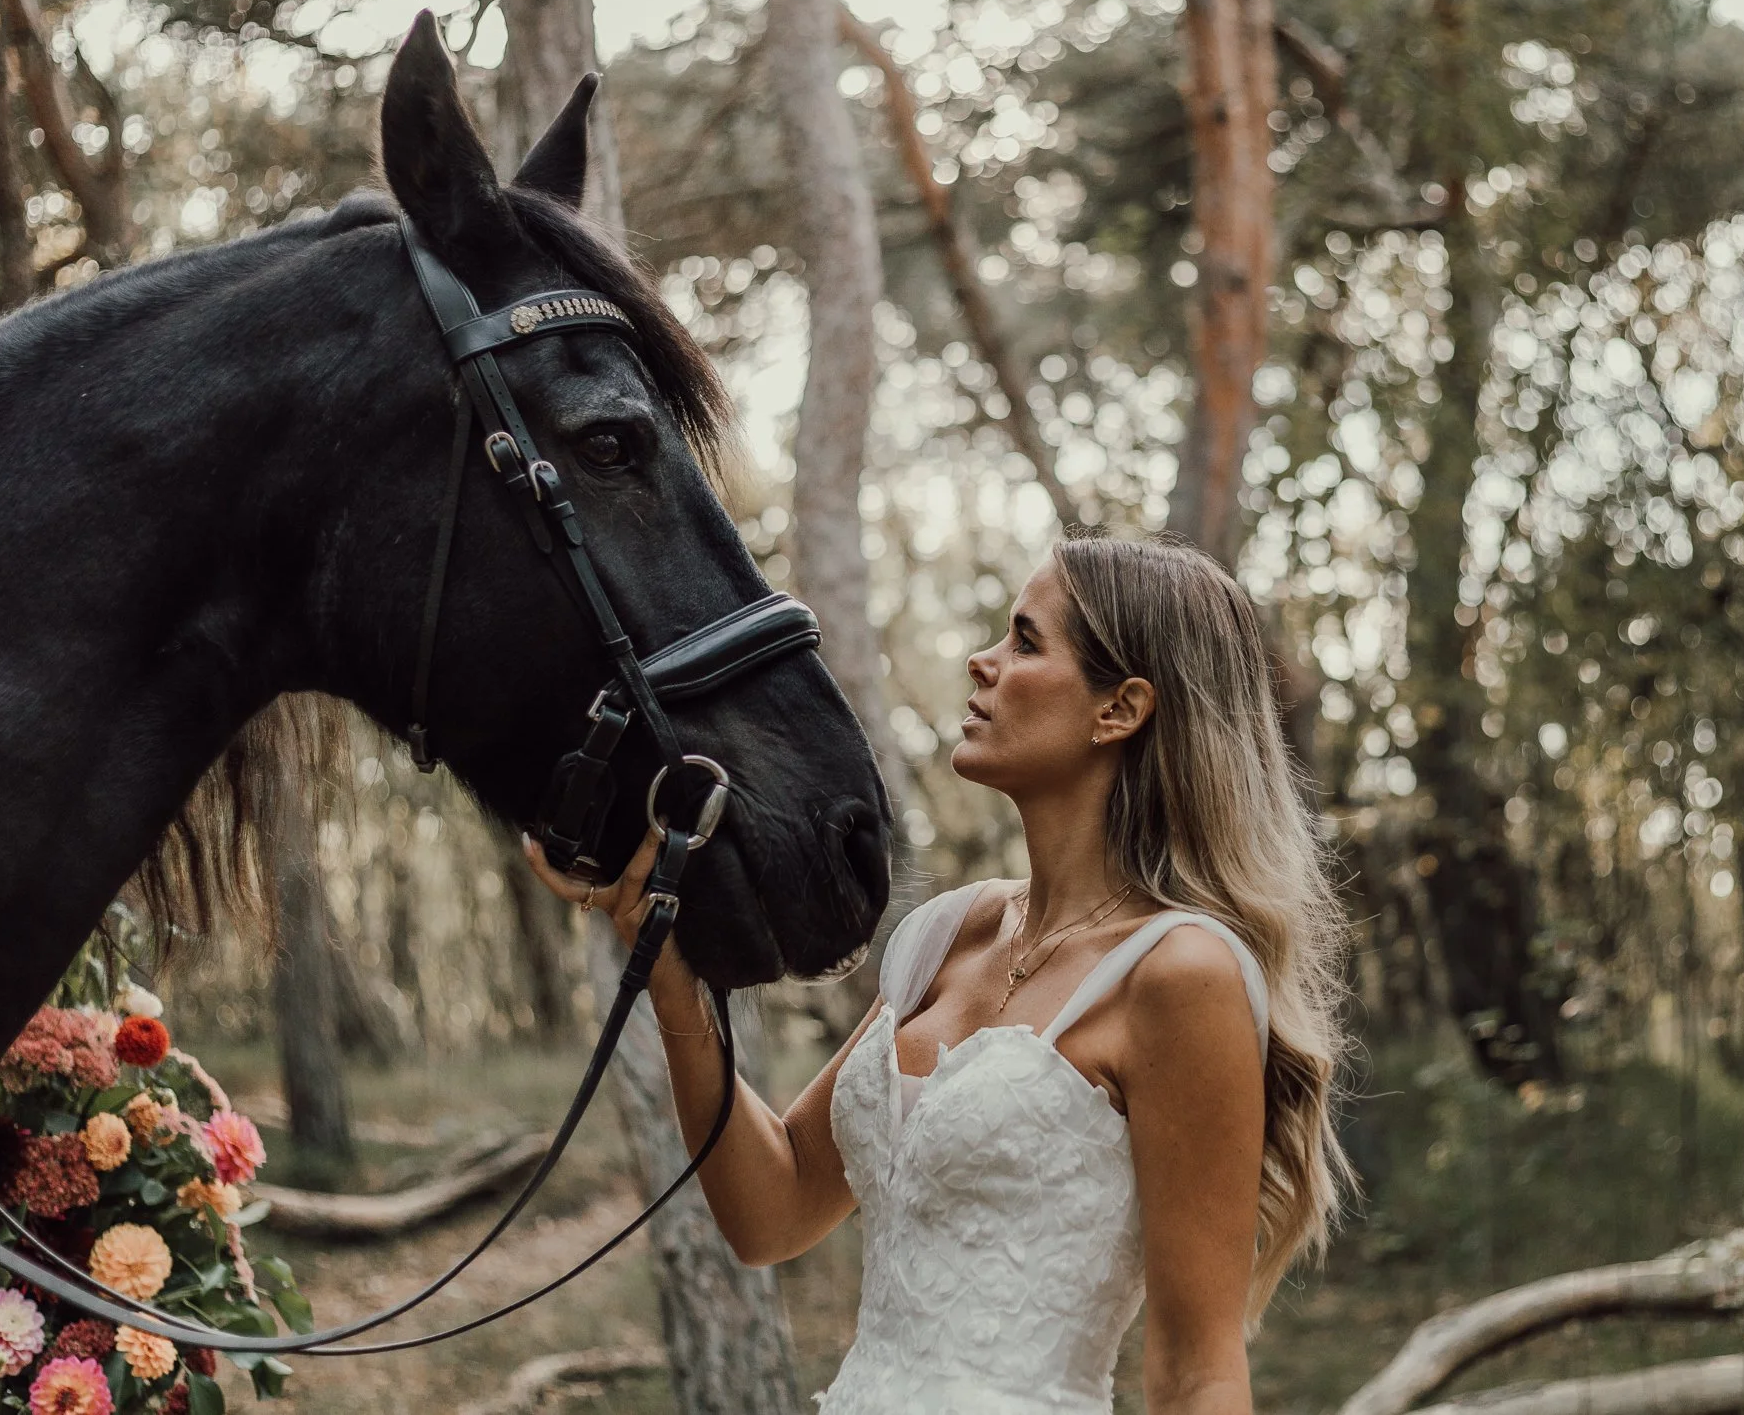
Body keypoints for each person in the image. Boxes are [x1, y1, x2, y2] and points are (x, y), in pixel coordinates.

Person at [526, 533, 1356, 1415]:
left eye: (1026, 642)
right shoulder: (948, 934)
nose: (982, 660)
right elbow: (770, 1212)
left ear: (1121, 709)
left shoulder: (1181, 974)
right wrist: (673, 981)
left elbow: (1199, 1375)